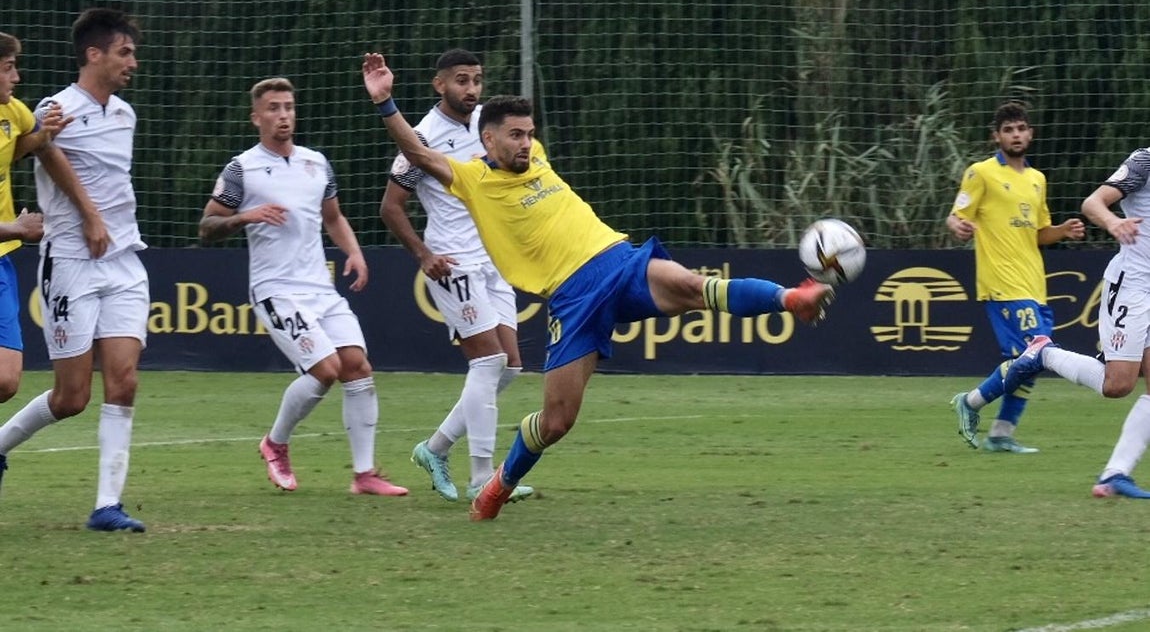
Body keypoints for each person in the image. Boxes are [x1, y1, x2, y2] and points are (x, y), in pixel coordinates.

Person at [362, 52, 835, 521]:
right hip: (573, 299)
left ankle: (791, 298)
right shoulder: (472, 179)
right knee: (556, 421)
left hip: (617, 259)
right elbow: (418, 154)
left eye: (529, 133)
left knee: (696, 287)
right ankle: (495, 487)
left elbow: (505, 136)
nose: (526, 143)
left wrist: (790, 299)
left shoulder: (536, 157)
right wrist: (385, 102)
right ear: (489, 139)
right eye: (515, 135)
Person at [200, 77, 407, 498]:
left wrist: (354, 252)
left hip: (320, 288)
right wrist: (244, 217)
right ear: (256, 117)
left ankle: (364, 475)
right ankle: (275, 443)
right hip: (275, 290)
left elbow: (333, 217)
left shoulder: (316, 163)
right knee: (325, 370)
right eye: (273, 108)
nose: (283, 116)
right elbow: (207, 226)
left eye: (289, 107)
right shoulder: (242, 168)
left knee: (357, 367)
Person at [0, 8, 147, 532]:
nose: (132, 61)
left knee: (124, 381)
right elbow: (44, 154)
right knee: (72, 397)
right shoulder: (54, 108)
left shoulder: (125, 114)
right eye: (124, 52)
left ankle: (107, 506)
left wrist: (108, 223)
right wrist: (89, 216)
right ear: (94, 54)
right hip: (70, 261)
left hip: (124, 261)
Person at [380, 48, 532, 504]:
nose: (471, 88)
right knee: (488, 363)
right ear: (440, 84)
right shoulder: (422, 137)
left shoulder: (489, 125)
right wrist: (423, 254)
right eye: (462, 80)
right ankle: (482, 478)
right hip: (453, 262)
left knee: (510, 367)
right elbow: (390, 207)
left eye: (477, 80)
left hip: (493, 259)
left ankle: (435, 448)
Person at [946, 101, 1106, 453]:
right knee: (1036, 354)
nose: (1015, 135)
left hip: (1034, 285)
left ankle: (1000, 434)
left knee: (1031, 363)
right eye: (1008, 130)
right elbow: (956, 215)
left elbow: (1038, 234)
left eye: (1021, 129)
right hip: (1001, 283)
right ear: (997, 136)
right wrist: (957, 225)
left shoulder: (1037, 180)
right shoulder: (981, 172)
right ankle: (970, 403)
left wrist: (1062, 231)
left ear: (1030, 134)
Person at [0, 32, 75, 406]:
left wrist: (46, 132)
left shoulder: (13, 111)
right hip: (6, 236)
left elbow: (23, 144)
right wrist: (15, 228)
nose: (16, 77)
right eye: (8, 68)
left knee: (6, 380)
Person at [1073, 149, 1150, 498]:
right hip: (1133, 284)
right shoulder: (1144, 162)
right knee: (1118, 385)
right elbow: (1092, 203)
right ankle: (1043, 354)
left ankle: (1115, 474)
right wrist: (1113, 222)